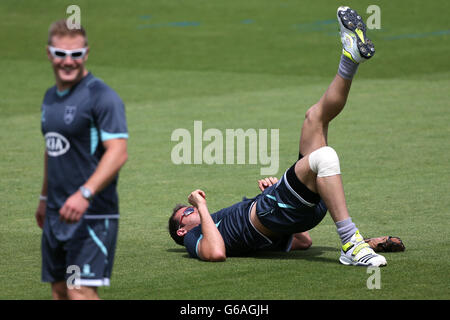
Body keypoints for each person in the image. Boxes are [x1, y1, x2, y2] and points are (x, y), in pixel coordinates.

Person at [168, 6, 387, 266]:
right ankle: (351, 242)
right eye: (188, 211)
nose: (194, 208)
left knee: (314, 117)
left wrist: (274, 191)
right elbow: (216, 253)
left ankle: (350, 58)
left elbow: (303, 242)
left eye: (191, 207)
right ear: (182, 230)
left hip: (286, 210)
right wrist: (201, 206)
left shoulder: (212, 224)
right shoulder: (194, 237)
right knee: (324, 157)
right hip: (273, 210)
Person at [35, 19, 128, 299]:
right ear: (50, 53)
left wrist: (84, 194)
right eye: (61, 54)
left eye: (75, 55)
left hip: (91, 215)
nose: (68, 61)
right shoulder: (50, 98)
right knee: (60, 289)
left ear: (86, 54)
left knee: (79, 290)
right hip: (56, 214)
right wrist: (43, 199)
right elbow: (52, 149)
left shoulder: (101, 96)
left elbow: (118, 152)